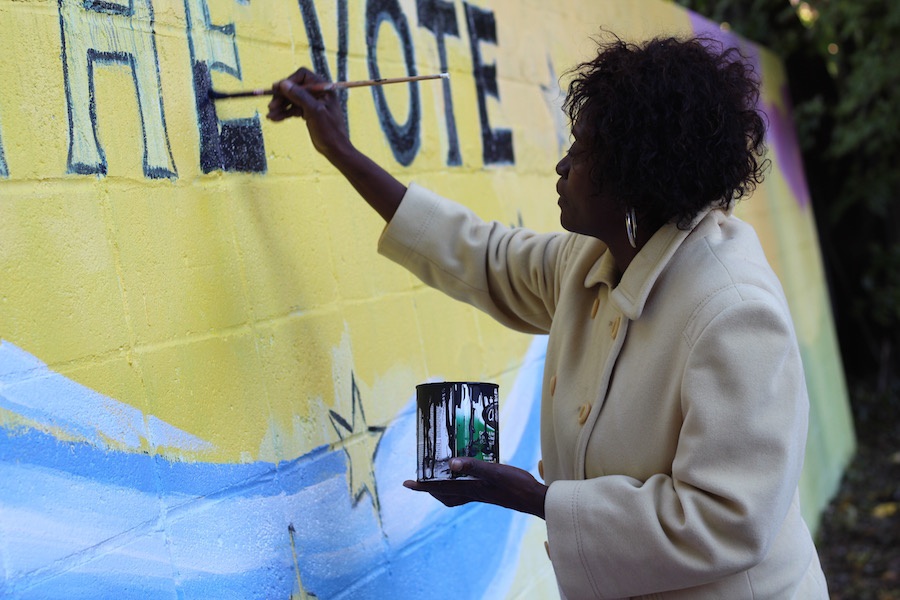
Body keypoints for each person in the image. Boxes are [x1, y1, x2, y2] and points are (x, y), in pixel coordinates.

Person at [267, 33, 829, 599]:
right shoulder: (595, 256)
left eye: (581, 151)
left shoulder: (734, 312)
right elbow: (478, 254)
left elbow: (726, 519)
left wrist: (533, 498)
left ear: (636, 173)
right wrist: (338, 148)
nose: (562, 166)